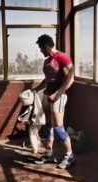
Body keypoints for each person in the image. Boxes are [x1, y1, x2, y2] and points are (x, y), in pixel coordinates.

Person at [32, 34, 75, 169]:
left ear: (46, 46)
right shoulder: (47, 61)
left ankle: (69, 156)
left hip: (59, 97)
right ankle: (49, 154)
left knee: (58, 127)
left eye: (40, 48)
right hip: (47, 95)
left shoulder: (62, 57)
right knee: (48, 126)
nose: (40, 51)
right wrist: (36, 89)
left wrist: (57, 94)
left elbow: (71, 78)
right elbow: (47, 79)